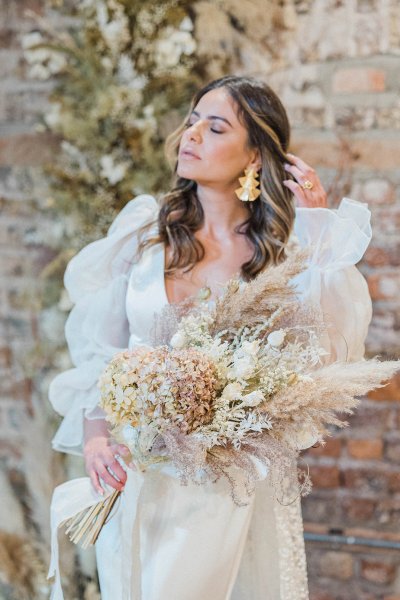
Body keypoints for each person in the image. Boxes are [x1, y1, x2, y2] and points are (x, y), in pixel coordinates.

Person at [48, 75, 373, 600]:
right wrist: (96, 440)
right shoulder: (144, 236)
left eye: (215, 127)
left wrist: (316, 228)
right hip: (135, 477)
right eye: (193, 120)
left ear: (254, 157)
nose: (192, 134)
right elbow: (101, 355)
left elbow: (330, 347)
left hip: (226, 486)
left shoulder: (281, 256)